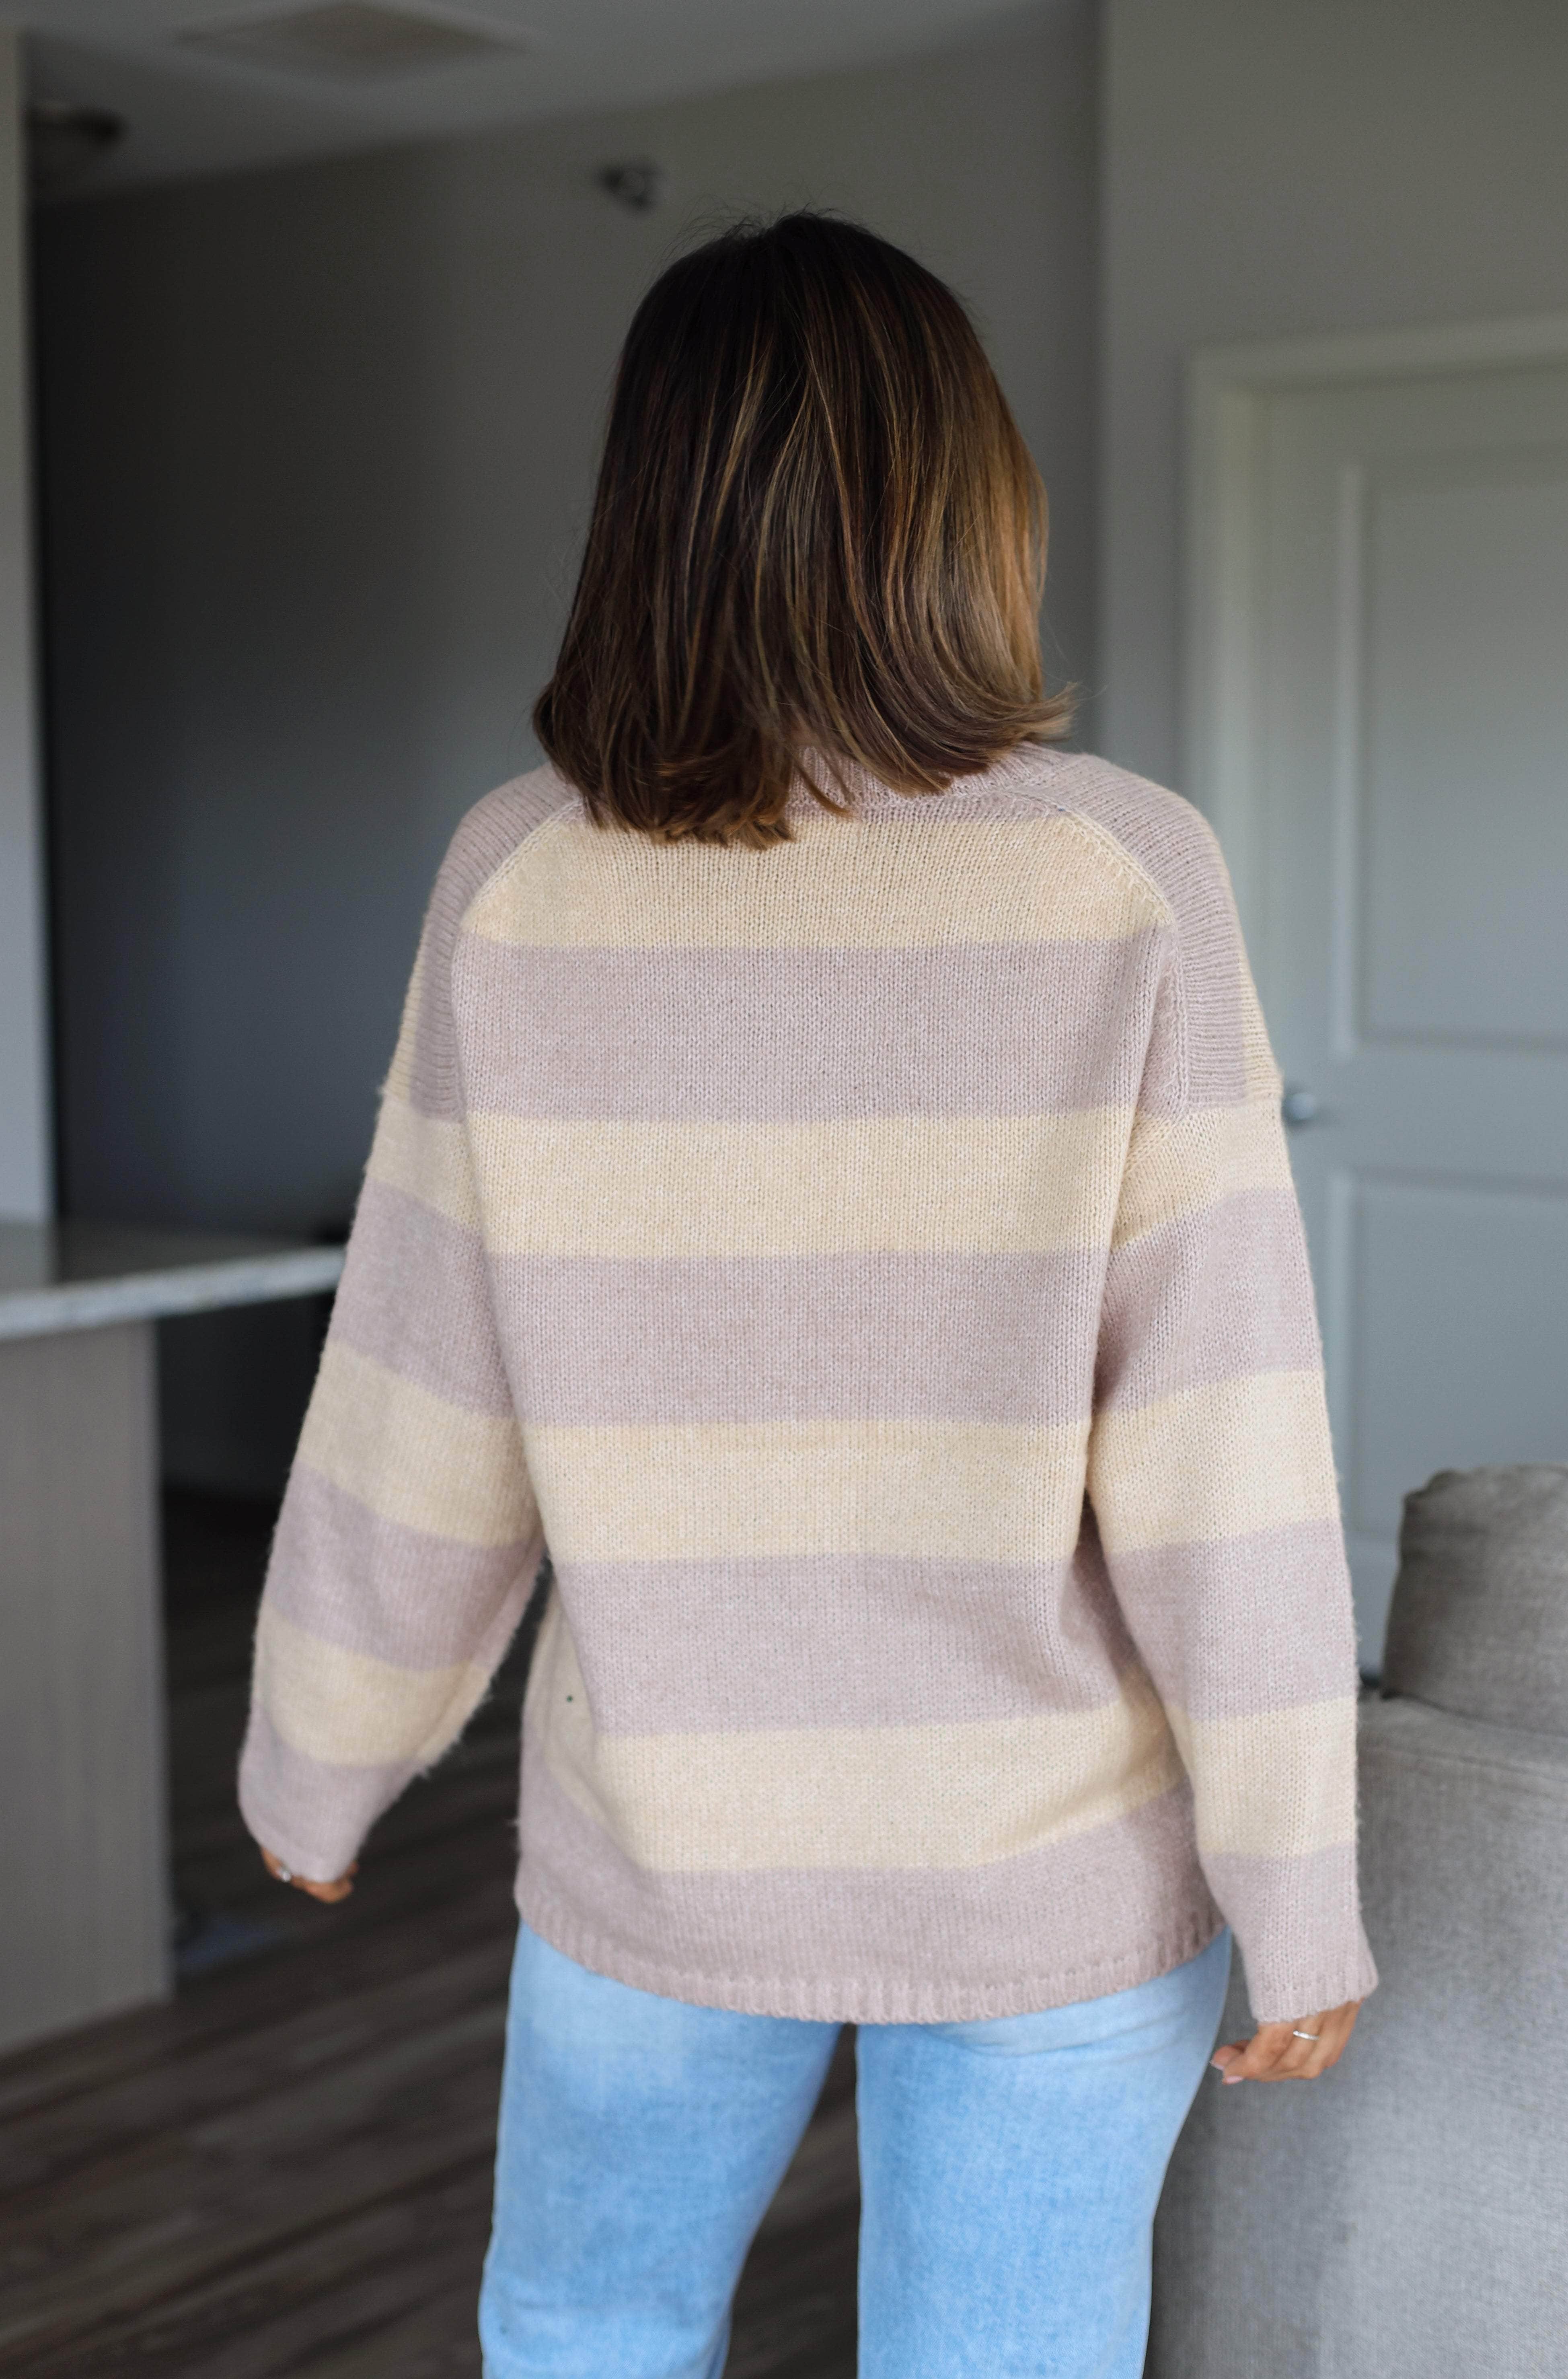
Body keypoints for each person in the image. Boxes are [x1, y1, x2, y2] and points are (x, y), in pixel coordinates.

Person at [240, 211, 1376, 2379]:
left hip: (664, 1836)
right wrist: (1294, 1878)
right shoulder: (1126, 872)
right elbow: (1221, 1446)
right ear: (972, 506)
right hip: (1049, 1864)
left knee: (585, 2336)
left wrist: (322, 1756)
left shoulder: (518, 875)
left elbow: (419, 1388)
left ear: (644, 511)